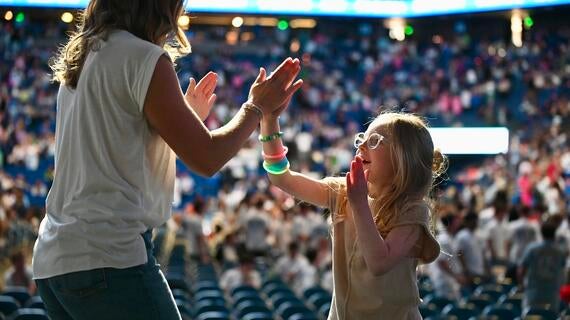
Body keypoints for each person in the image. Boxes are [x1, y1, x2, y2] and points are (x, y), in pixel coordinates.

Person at [31, 1, 302, 319]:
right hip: (108, 256)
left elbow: (117, 154)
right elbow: (207, 158)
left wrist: (175, 125)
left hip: (53, 260)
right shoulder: (143, 57)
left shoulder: (85, 55)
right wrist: (255, 108)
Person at [259, 111, 444, 319]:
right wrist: (269, 121)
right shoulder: (343, 193)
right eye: (361, 139)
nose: (361, 146)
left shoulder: (412, 211)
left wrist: (359, 203)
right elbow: (282, 179)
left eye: (374, 140)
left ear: (404, 157)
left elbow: (379, 262)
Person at [518, 222, 567, 313]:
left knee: (530, 315)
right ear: (554, 233)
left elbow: (522, 269)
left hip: (533, 291)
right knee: (550, 316)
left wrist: (521, 285)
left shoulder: (532, 249)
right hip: (552, 293)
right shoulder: (560, 251)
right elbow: (563, 271)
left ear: (541, 232)